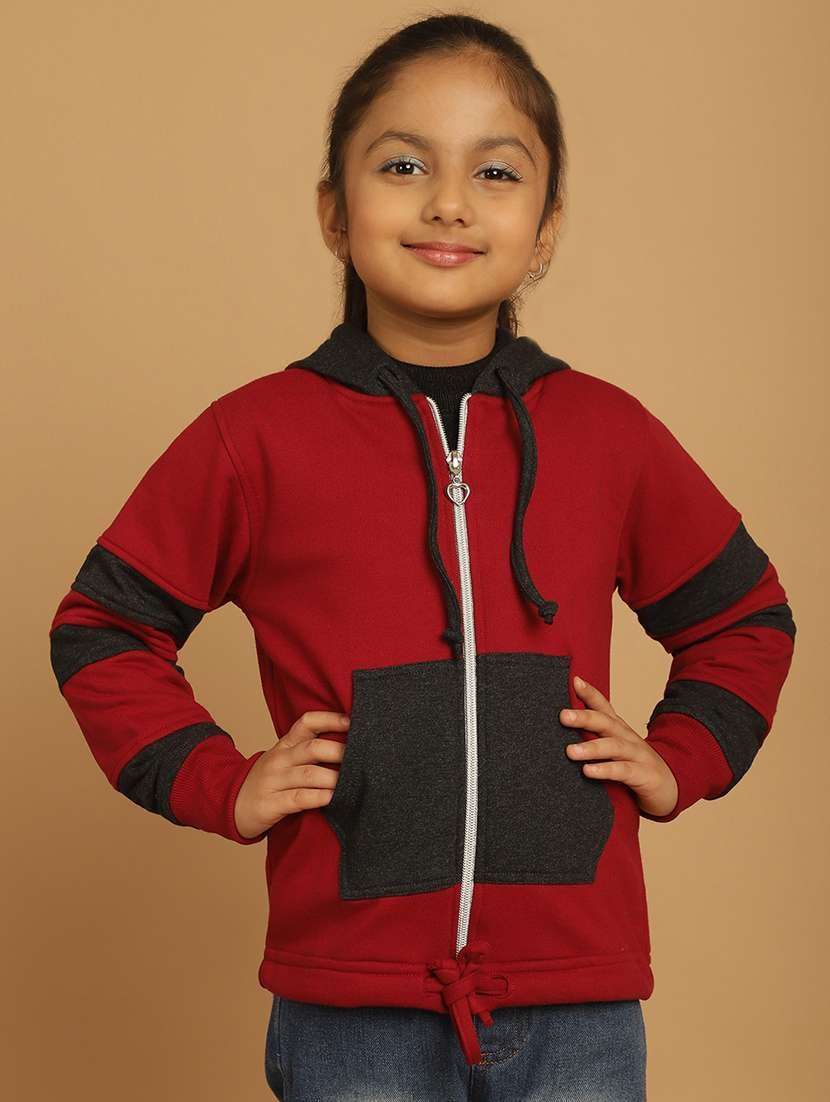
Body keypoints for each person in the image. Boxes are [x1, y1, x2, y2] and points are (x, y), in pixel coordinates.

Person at [48, 12, 797, 1102]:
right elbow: (102, 629)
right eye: (402, 165)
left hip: (577, 1000)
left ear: (545, 226)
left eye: (495, 172)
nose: (448, 202)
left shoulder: (608, 433)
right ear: (332, 210)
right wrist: (222, 781)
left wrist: (682, 758)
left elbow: (744, 618)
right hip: (348, 1009)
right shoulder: (254, 439)